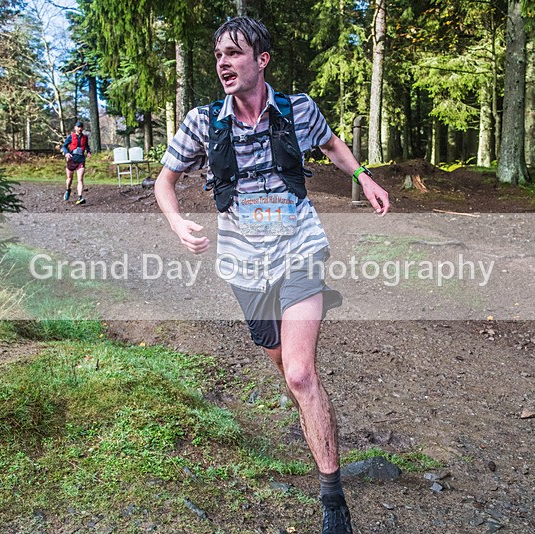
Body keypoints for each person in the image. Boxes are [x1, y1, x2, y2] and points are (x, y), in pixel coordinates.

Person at [154, 16, 389, 534]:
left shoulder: (297, 109)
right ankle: (310, 395)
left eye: (234, 53)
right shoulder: (201, 122)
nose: (223, 63)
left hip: (300, 248)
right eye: (219, 54)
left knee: (301, 373)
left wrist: (364, 178)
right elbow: (164, 182)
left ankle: (333, 500)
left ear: (261, 61)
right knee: (287, 369)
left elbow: (331, 145)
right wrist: (176, 221)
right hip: (244, 265)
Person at [61, 120, 91, 205]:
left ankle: (80, 197)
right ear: (75, 128)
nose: (80, 129)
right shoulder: (70, 136)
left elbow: (87, 146)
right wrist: (66, 153)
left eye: (81, 127)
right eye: (78, 127)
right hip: (72, 159)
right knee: (69, 179)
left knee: (80, 179)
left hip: (81, 160)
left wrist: (88, 152)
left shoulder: (85, 137)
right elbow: (64, 146)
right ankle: (68, 190)